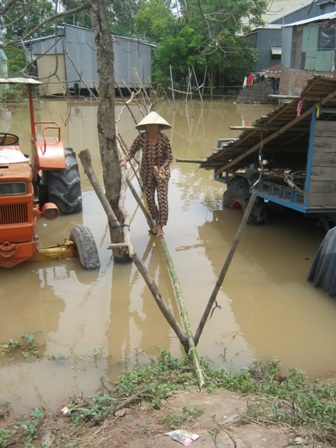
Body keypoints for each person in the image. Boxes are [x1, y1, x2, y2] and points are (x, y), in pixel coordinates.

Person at [120, 111, 173, 237]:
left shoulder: (164, 139)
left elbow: (170, 157)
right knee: (149, 198)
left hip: (161, 173)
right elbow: (132, 150)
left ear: (159, 127)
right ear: (146, 127)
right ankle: (156, 220)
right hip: (146, 172)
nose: (151, 128)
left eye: (154, 126)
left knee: (162, 198)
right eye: (149, 126)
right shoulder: (142, 138)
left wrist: (163, 167)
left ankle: (160, 226)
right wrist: (125, 160)